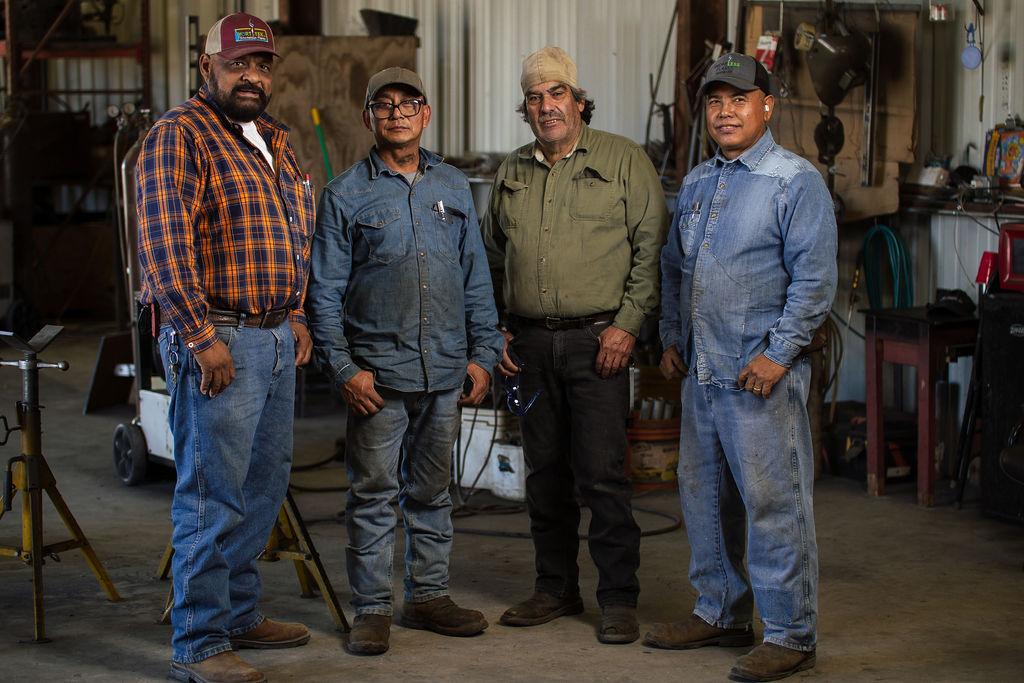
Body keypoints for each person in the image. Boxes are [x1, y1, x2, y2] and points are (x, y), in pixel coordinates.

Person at [644, 53, 837, 682]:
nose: (725, 112)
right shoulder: (699, 181)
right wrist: (670, 335)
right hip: (702, 372)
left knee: (773, 504)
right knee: (703, 498)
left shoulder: (794, 181)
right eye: (714, 101)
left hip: (759, 379)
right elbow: (674, 267)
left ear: (767, 106)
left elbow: (814, 281)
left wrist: (778, 354)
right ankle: (721, 611)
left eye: (739, 99)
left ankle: (791, 633)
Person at [136, 12, 314, 683]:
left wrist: (297, 313)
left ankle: (238, 614)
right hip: (220, 336)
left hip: (274, 335)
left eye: (262, 65)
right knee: (213, 497)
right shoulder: (179, 135)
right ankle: (200, 641)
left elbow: (294, 233)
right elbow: (164, 245)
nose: (252, 76)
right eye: (238, 64)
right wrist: (199, 335)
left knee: (262, 488)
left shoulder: (274, 140)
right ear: (206, 66)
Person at [306, 67, 504, 656]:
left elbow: (475, 279)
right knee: (372, 495)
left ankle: (426, 596)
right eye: (384, 104)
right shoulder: (344, 194)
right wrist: (344, 369)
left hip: (444, 371)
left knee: (432, 492)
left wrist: (483, 355)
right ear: (368, 117)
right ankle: (371, 608)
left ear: (426, 114)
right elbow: (323, 294)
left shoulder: (453, 185)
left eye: (408, 103)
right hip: (378, 377)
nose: (397, 113)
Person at [481, 46, 668, 645]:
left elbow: (651, 250)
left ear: (579, 101)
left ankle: (618, 598)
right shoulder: (511, 171)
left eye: (557, 93)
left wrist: (628, 325)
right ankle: (556, 588)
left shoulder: (623, 159)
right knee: (544, 474)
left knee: (602, 475)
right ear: (526, 109)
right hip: (530, 348)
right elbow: (488, 257)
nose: (546, 106)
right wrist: (493, 327)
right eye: (534, 98)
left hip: (599, 344)